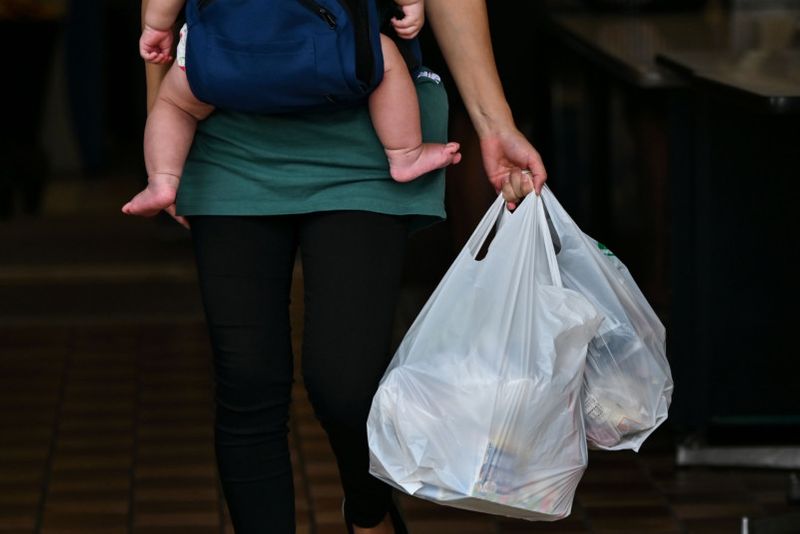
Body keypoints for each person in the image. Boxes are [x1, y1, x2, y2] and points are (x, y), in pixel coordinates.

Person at [136, 0, 546, 532]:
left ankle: (370, 509)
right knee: (247, 381)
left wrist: (494, 123)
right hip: (225, 115)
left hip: (371, 120)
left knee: (346, 385)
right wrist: (162, 136)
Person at [122, 0, 462, 220]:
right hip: (325, 57)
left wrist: (156, 26)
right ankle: (404, 153)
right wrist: (411, 4)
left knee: (174, 105)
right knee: (386, 60)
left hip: (223, 60)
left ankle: (163, 179)